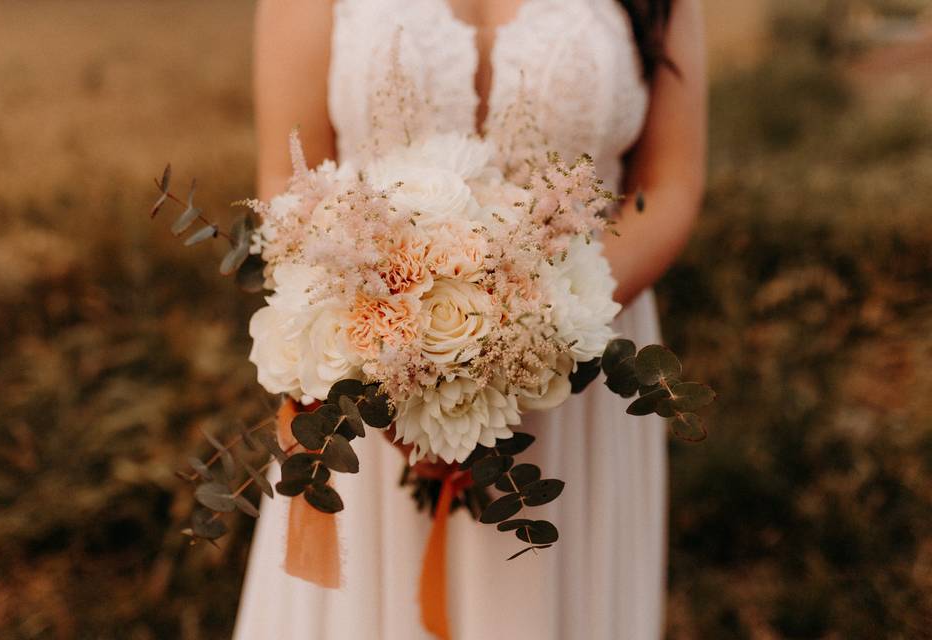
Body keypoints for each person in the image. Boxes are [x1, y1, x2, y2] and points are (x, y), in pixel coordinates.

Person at [234, 0, 705, 637]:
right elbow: (286, 180)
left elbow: (667, 188)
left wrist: (533, 329)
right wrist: (386, 373)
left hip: (581, 373)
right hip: (371, 388)